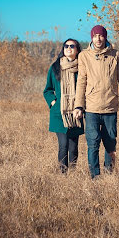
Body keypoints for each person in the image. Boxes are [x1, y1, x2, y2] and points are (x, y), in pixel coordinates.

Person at [73, 25, 119, 178]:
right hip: (91, 108)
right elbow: (81, 82)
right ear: (91, 38)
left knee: (110, 143)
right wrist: (78, 105)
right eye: (95, 36)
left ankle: (109, 174)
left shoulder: (116, 55)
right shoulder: (84, 56)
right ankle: (95, 176)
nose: (98, 39)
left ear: (105, 37)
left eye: (101, 36)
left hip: (110, 107)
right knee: (93, 143)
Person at [43, 39, 84, 173]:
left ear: (77, 49)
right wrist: (53, 102)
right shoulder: (55, 67)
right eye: (66, 46)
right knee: (63, 145)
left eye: (72, 46)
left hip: (76, 113)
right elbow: (48, 90)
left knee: (73, 147)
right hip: (59, 114)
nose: (69, 48)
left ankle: (73, 173)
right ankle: (63, 174)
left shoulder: (82, 68)